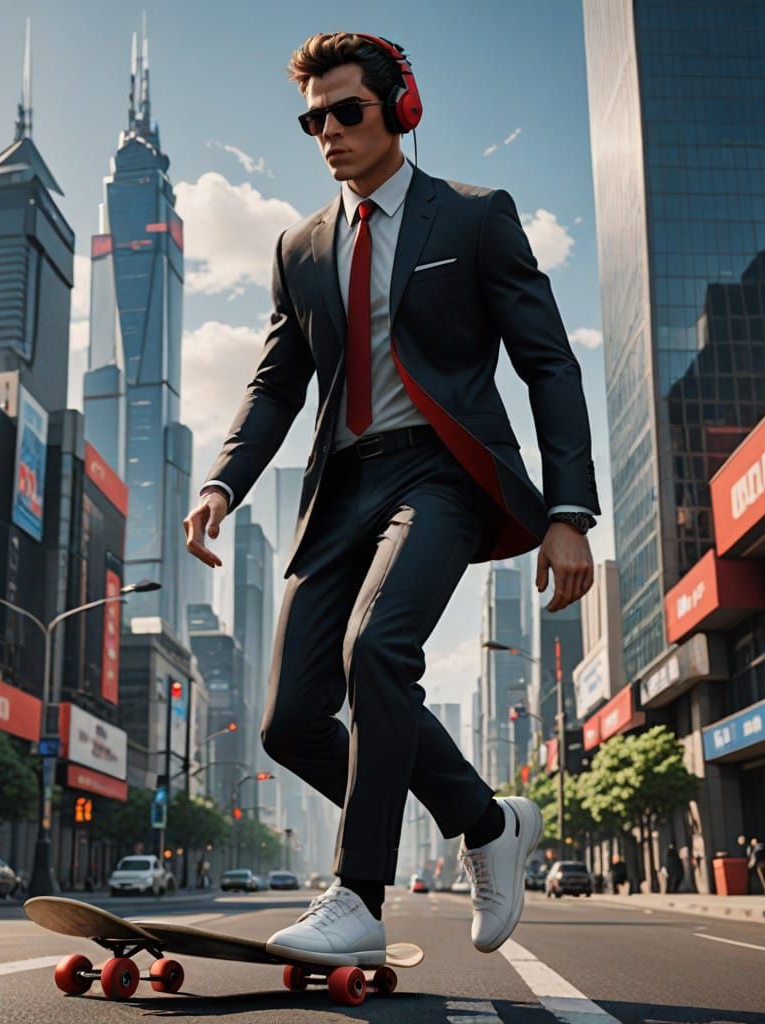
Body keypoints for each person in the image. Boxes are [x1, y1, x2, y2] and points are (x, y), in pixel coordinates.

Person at [183, 31, 599, 966]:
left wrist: (569, 511)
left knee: (379, 648)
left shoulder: (476, 217)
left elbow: (549, 363)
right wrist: (222, 481)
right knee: (291, 722)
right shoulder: (298, 246)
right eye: (311, 118)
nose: (326, 131)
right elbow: (275, 383)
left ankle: (359, 899)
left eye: (346, 111)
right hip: (343, 488)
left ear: (400, 109)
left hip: (444, 471)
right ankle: (485, 820)